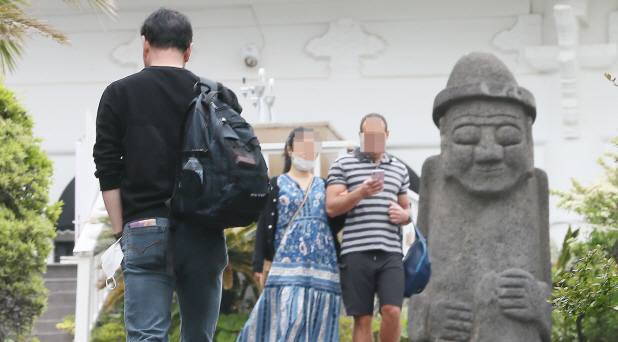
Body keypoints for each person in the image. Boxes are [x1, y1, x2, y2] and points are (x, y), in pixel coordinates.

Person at [93, 8, 242, 342]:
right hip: (204, 230)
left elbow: (107, 166)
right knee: (199, 337)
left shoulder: (119, 93)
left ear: (144, 45)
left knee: (146, 337)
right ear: (188, 50)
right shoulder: (215, 94)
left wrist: (121, 229)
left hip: (145, 229)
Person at [237, 127, 342, 342]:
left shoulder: (325, 185)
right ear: (290, 150)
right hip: (286, 265)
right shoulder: (275, 184)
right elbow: (265, 223)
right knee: (287, 318)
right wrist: (258, 263)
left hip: (323, 267)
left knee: (319, 321)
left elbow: (335, 222)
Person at [326, 114, 412, 342]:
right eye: (369, 136)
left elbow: (407, 209)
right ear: (361, 136)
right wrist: (361, 192)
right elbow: (332, 207)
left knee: (392, 311)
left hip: (390, 252)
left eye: (378, 136)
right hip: (355, 251)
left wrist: (405, 216)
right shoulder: (342, 164)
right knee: (362, 318)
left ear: (387, 136)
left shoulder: (399, 168)